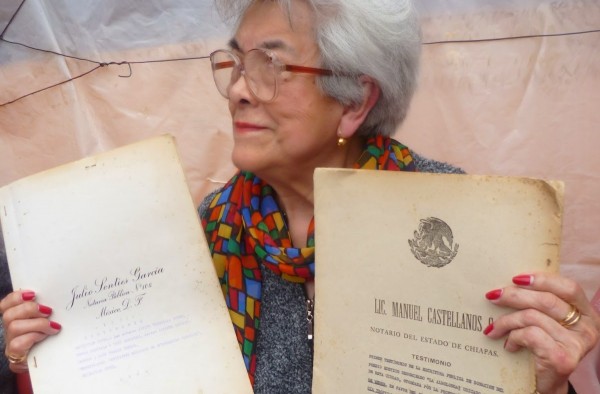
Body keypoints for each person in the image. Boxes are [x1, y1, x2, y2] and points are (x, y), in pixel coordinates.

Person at [1, 0, 598, 393]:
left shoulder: (458, 219)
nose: (236, 89)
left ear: (355, 101)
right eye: (235, 63)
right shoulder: (206, 232)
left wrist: (542, 382)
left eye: (269, 66)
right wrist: (49, 364)